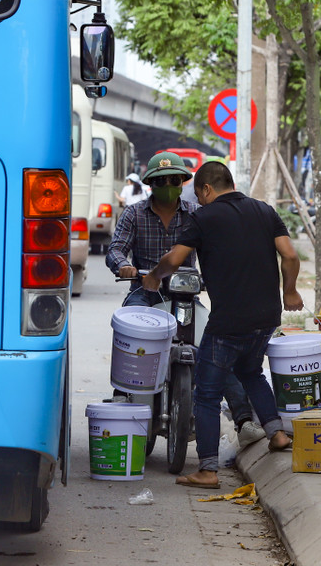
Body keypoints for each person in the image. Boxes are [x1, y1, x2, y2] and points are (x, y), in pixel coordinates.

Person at [143, 161, 304, 489]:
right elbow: (289, 255)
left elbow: (174, 260)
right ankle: (277, 434)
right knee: (250, 372)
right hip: (267, 316)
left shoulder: (203, 217)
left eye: (199, 195)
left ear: (205, 189)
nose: (200, 202)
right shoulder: (264, 210)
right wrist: (290, 290)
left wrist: (152, 278)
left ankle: (208, 469)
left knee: (207, 393)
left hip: (229, 321)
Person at [106, 153, 265, 447]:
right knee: (128, 334)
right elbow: (115, 249)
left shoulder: (197, 213)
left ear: (183, 182)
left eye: (174, 180)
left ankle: (243, 421)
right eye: (161, 181)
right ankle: (125, 396)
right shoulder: (134, 214)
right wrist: (124, 266)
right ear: (151, 184)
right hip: (146, 291)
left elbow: (221, 249)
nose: (168, 185)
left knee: (217, 347)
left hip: (187, 295)